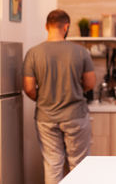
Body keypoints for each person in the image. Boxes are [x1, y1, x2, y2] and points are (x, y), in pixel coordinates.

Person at [23, 9, 96, 184]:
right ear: (66, 27)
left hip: (46, 117)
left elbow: (29, 88)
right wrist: (75, 90)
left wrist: (44, 99)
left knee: (53, 165)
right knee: (79, 166)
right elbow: (90, 83)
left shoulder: (33, 53)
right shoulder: (81, 52)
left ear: (46, 26)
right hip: (75, 116)